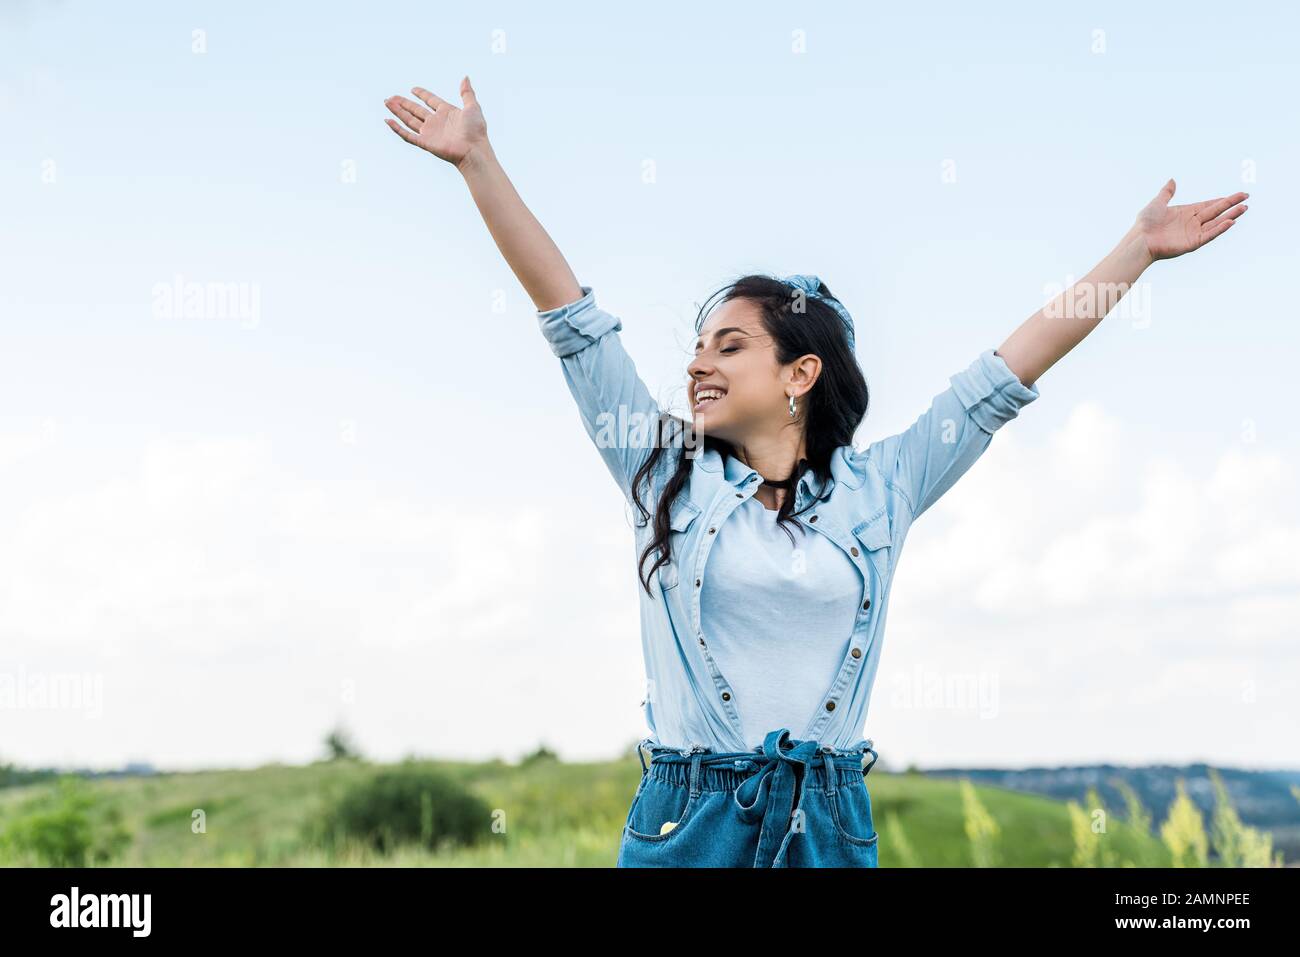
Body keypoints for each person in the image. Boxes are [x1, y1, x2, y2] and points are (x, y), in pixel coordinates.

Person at [383, 76, 1249, 867]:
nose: (697, 367)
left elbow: (1003, 376)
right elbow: (572, 317)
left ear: (801, 374)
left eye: (730, 345)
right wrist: (478, 163)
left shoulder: (884, 489)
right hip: (689, 820)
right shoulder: (661, 472)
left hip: (831, 821)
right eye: (695, 349)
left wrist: (1135, 251)